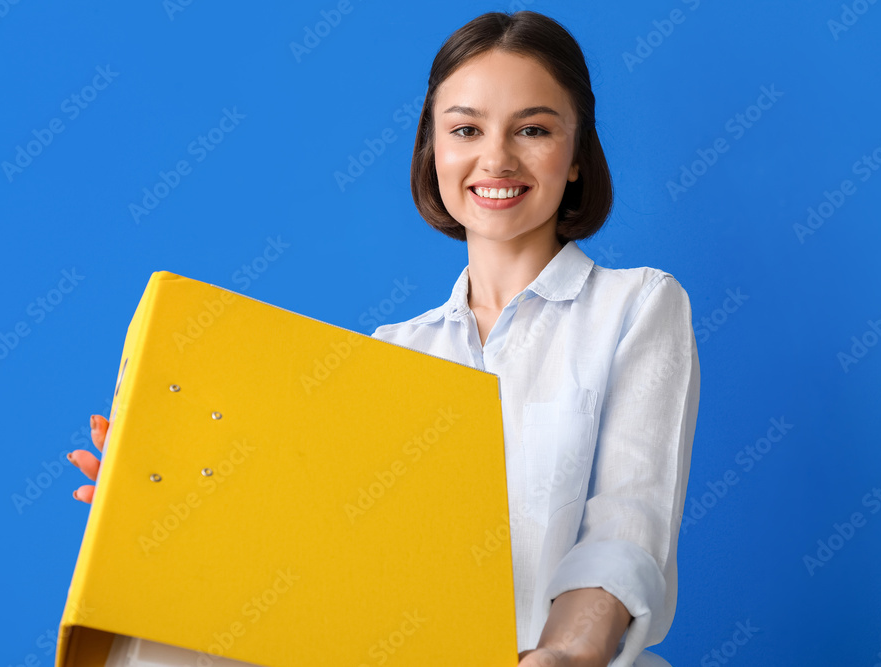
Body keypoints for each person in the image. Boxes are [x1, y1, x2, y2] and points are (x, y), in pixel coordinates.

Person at [69, 10, 700, 667]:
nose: (496, 158)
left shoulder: (638, 305)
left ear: (575, 157)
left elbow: (628, 525)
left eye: (533, 129)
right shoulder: (391, 353)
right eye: (466, 129)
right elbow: (316, 563)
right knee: (151, 644)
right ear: (434, 150)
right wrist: (153, 511)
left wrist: (567, 654)